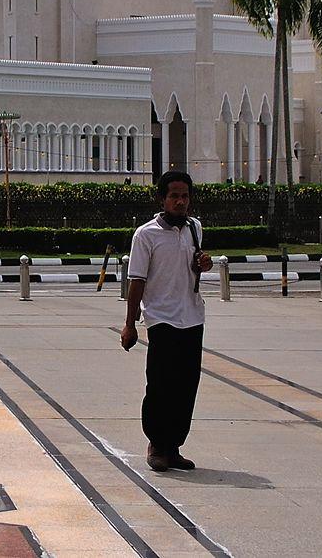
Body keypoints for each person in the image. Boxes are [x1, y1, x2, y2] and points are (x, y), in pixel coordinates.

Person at [121, 169, 211, 472]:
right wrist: (130, 323)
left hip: (192, 316)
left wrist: (204, 264)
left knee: (187, 386)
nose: (180, 202)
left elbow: (193, 269)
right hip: (161, 318)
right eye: (174, 196)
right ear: (162, 199)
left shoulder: (195, 228)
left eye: (185, 196)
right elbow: (137, 281)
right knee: (161, 384)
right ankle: (157, 444)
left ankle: (174, 446)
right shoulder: (146, 235)